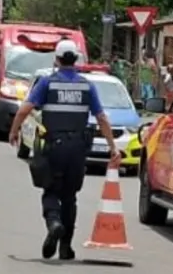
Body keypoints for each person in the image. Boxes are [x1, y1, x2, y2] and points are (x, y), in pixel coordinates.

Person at [9, 40, 122, 260]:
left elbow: (24, 109)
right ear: (76, 60)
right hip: (78, 148)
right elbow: (101, 118)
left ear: (57, 59)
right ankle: (65, 247)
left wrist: (14, 131)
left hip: (54, 147)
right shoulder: (87, 86)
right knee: (70, 197)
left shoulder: (47, 83)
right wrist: (112, 148)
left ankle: (53, 222)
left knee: (50, 190)